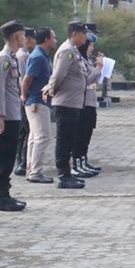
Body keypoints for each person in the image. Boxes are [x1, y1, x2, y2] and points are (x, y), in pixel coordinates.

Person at [43, 21, 92, 189]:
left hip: (73, 103)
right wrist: (51, 91)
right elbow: (58, 76)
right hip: (65, 103)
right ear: (75, 34)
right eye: (83, 33)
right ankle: (63, 175)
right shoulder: (67, 51)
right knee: (64, 140)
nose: (86, 37)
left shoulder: (74, 51)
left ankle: (68, 173)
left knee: (69, 140)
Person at [0, 20, 28, 213]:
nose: (26, 38)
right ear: (16, 37)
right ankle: (1, 196)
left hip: (13, 114)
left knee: (10, 156)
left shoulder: (11, 58)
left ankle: (6, 194)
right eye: (23, 35)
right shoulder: (3, 58)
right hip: (6, 117)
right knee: (4, 157)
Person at [22, 28, 58, 185]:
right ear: (46, 39)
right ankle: (36, 172)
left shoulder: (42, 56)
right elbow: (27, 79)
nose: (55, 41)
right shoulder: (38, 57)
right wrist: (25, 97)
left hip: (37, 101)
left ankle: (31, 169)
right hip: (37, 102)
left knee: (34, 138)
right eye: (54, 38)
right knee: (43, 137)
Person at [74, 24, 104, 178]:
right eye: (90, 44)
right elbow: (86, 80)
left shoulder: (87, 60)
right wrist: (98, 67)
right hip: (83, 103)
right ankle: (77, 163)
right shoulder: (80, 60)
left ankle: (83, 161)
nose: (92, 47)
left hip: (90, 102)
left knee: (86, 135)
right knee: (80, 136)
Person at [13, 28, 35, 177]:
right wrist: (24, 96)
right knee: (26, 131)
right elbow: (23, 79)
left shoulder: (26, 55)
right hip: (22, 99)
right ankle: (22, 162)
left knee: (25, 131)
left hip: (22, 98)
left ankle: (22, 161)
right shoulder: (23, 56)